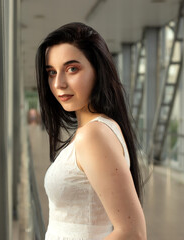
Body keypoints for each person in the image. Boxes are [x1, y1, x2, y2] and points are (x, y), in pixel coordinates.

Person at [36, 22, 147, 240]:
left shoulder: (94, 134)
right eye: (51, 72)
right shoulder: (94, 131)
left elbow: (132, 233)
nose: (58, 83)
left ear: (98, 70)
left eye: (72, 69)